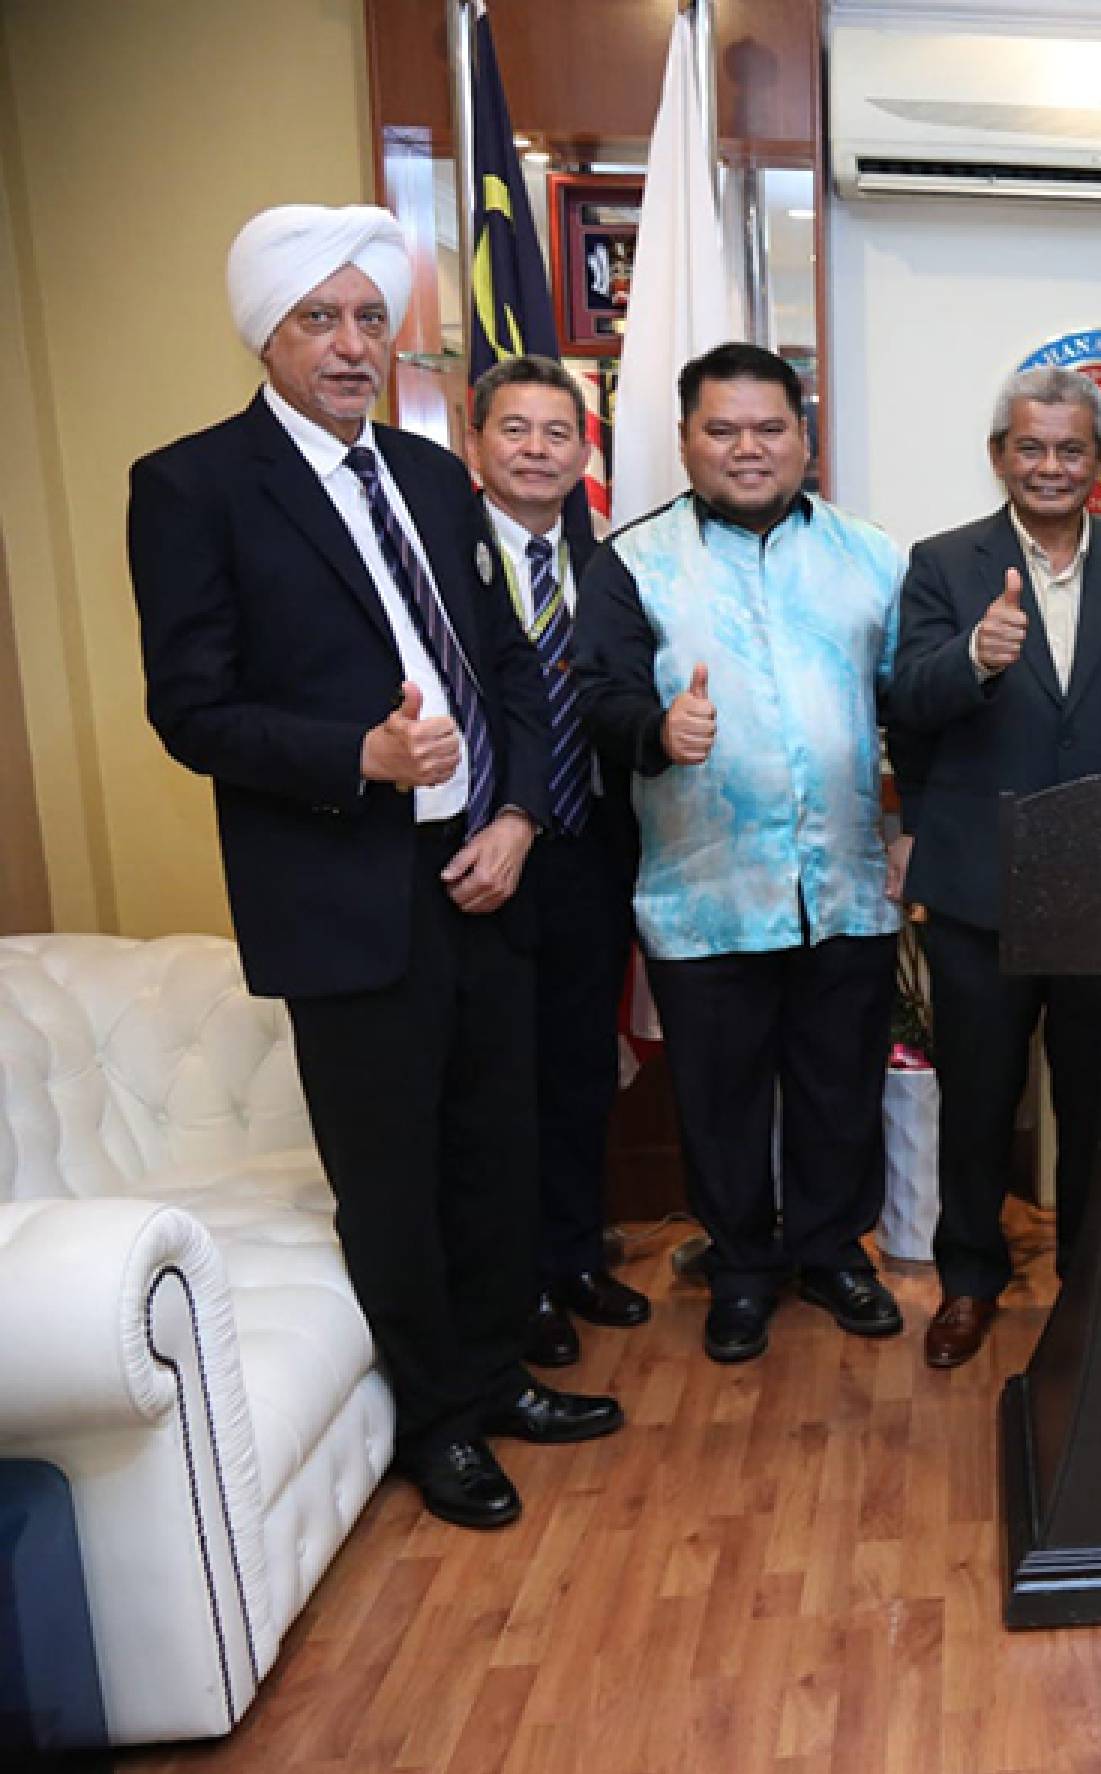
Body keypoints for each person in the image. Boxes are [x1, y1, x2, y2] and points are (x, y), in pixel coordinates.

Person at [128, 205, 622, 1531]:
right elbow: (191, 710)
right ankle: (440, 1425)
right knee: (395, 1178)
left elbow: (514, 669)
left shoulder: (429, 473)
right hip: (347, 895)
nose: (351, 345)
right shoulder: (191, 487)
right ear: (268, 334)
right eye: (318, 320)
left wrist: (516, 815)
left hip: (485, 874)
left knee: (495, 1153)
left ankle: (495, 1373)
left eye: (367, 318)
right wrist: (359, 755)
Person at [577, 342, 910, 1365]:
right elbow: (597, 694)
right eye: (722, 430)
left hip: (846, 880)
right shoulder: (631, 561)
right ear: (684, 442)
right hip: (705, 887)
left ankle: (831, 1252)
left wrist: (916, 832)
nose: (748, 448)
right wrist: (656, 732)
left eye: (770, 428)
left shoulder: (872, 556)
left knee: (837, 1082)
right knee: (719, 1099)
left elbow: (914, 703)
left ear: (805, 438)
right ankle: (742, 1268)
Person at [886, 365, 1101, 1368]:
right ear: (998, 456)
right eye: (1031, 447)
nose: (1050, 466)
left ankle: (1096, 1279)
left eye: (1071, 450)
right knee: (978, 1097)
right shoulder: (943, 564)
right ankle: (969, 1282)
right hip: (983, 885)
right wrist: (974, 657)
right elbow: (907, 704)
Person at [463, 354, 652, 1370]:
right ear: (475, 442)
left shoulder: (611, 566)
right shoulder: (446, 564)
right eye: (516, 431)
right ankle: (520, 1280)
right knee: (505, 1080)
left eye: (557, 434)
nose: (537, 451)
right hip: (485, 859)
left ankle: (577, 1255)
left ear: (586, 452)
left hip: (592, 851)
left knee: (582, 1068)